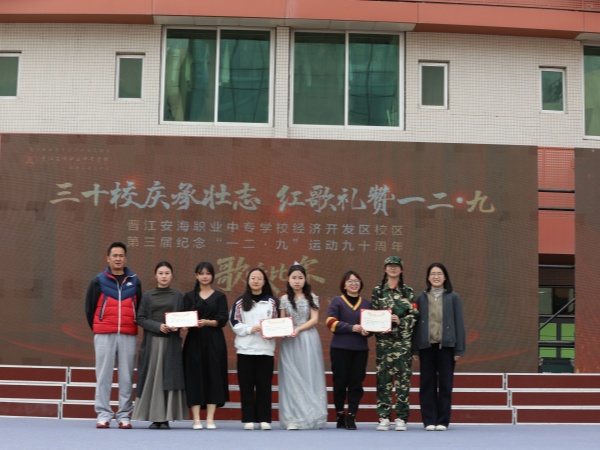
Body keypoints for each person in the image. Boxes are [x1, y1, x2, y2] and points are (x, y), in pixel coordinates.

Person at [85, 242, 142, 429]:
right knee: (103, 375)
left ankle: (124, 415)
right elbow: (89, 308)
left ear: (125, 259)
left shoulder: (134, 280)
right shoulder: (98, 280)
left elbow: (139, 307)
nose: (118, 259)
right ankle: (103, 414)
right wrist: (100, 326)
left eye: (121, 255)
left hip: (128, 334)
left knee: (126, 377)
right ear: (108, 258)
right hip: (104, 334)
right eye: (114, 255)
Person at [132, 261, 188, 429]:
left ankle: (166, 418)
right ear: (155, 276)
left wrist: (181, 325)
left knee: (168, 378)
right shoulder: (148, 295)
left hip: (171, 344)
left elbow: (183, 317)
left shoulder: (178, 295)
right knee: (154, 379)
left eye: (167, 273)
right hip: (153, 343)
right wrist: (158, 326)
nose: (164, 276)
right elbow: (140, 318)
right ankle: (155, 418)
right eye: (161, 273)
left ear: (172, 276)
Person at [412, 263, 466, 431]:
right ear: (428, 277)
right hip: (426, 347)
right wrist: (415, 348)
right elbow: (415, 325)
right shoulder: (421, 297)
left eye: (439, 273)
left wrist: (459, 349)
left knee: (445, 384)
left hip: (447, 347)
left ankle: (443, 420)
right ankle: (429, 420)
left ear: (445, 277)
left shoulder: (453, 297)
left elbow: (459, 324)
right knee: (426, 383)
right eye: (433, 274)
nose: (436, 277)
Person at [371, 256, 419, 431]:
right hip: (384, 343)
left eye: (396, 266)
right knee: (383, 380)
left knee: (403, 381)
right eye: (390, 266)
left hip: (402, 343)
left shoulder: (408, 292)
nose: (393, 269)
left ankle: (401, 418)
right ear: (385, 269)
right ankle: (384, 417)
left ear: (401, 269)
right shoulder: (378, 291)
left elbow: (414, 316)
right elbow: (372, 314)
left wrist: (400, 321)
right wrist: (376, 324)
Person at [278, 264, 327, 430]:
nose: (297, 281)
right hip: (289, 341)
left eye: (300, 278)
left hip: (308, 339)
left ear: (305, 279)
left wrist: (298, 329)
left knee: (308, 374)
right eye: (294, 278)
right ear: (288, 279)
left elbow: (314, 319)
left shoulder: (311, 297)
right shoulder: (284, 299)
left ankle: (311, 417)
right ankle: (293, 418)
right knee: (291, 376)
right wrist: (284, 330)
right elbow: (282, 321)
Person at [229, 268, 279, 431]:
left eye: (259, 278)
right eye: (253, 278)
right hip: (245, 350)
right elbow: (234, 323)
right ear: (248, 281)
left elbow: (279, 322)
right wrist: (250, 329)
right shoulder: (240, 301)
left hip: (265, 350)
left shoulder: (272, 302)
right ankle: (248, 418)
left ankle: (265, 419)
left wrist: (271, 332)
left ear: (264, 282)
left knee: (264, 386)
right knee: (246, 386)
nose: (256, 281)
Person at [182, 261, 230, 430]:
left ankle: (210, 418)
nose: (204, 276)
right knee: (194, 377)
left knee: (213, 377)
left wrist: (208, 322)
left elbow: (223, 319)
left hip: (214, 341)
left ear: (212, 276)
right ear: (196, 276)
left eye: (208, 273)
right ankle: (196, 419)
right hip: (194, 341)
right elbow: (183, 317)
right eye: (201, 273)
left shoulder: (220, 297)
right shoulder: (189, 296)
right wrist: (184, 325)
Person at [325, 270, 372, 430]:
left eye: (356, 281)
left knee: (356, 383)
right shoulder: (337, 301)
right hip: (340, 349)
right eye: (350, 281)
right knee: (340, 383)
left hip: (360, 350)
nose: (354, 284)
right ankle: (340, 414)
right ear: (344, 285)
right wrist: (351, 328)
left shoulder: (366, 304)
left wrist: (368, 331)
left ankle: (351, 415)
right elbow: (330, 322)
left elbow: (372, 327)